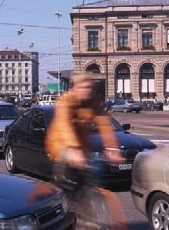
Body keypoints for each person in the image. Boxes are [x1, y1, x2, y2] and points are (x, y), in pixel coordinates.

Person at [44, 73, 126, 229]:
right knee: (66, 182)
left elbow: (104, 124)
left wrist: (112, 148)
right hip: (61, 144)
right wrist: (74, 149)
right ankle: (61, 205)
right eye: (83, 87)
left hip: (81, 146)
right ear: (74, 88)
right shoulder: (65, 101)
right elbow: (64, 125)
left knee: (90, 177)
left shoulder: (93, 102)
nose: (87, 91)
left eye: (89, 88)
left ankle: (88, 212)